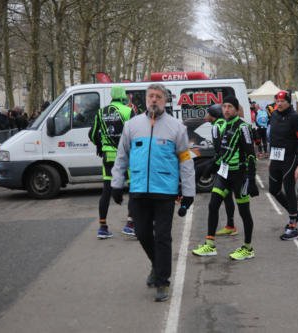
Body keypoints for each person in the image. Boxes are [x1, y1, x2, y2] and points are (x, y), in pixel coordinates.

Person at [111, 83, 195, 302]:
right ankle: (157, 267)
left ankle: (162, 282)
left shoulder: (176, 128)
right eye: (151, 96)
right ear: (146, 99)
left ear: (165, 101)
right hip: (138, 189)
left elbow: (186, 162)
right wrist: (116, 184)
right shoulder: (132, 125)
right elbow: (122, 156)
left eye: (158, 96)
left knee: (163, 237)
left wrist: (188, 193)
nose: (154, 100)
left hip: (164, 192)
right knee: (142, 233)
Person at [192, 95, 259, 259]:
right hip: (225, 174)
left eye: (230, 106)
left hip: (240, 175)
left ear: (236, 109)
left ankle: (248, 248)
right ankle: (209, 245)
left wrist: (251, 178)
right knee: (213, 205)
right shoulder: (224, 125)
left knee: (244, 212)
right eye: (224, 106)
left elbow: (251, 154)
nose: (227, 109)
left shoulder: (242, 127)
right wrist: (211, 167)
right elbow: (222, 152)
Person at [89, 86, 135, 239]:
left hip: (108, 156)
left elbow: (93, 134)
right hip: (126, 156)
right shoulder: (127, 111)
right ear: (123, 95)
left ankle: (102, 227)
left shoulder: (101, 112)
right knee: (133, 188)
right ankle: (130, 224)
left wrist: (100, 146)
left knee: (107, 191)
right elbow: (136, 133)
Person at [267, 90, 298, 240]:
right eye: (277, 101)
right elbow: (273, 137)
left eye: (282, 101)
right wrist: (271, 157)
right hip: (276, 157)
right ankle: (296, 214)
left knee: (289, 189)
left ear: (289, 102)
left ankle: (293, 226)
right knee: (273, 189)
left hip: (290, 158)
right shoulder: (275, 115)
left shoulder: (296, 118)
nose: (279, 103)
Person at [202, 104, 237, 236]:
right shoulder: (224, 122)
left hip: (226, 165)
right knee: (228, 197)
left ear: (213, 115)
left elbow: (218, 149)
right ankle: (231, 225)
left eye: (207, 113)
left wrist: (213, 165)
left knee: (227, 198)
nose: (205, 116)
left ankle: (231, 227)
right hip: (229, 164)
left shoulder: (216, 126)